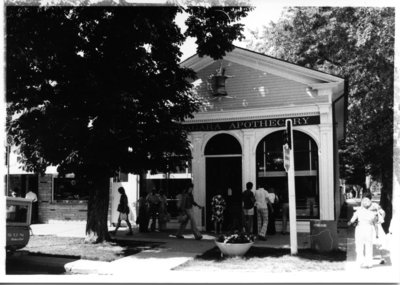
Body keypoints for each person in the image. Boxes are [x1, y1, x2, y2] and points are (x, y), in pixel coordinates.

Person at [348, 197, 378, 268]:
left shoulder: (358, 212)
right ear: (369, 205)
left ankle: (360, 262)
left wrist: (348, 224)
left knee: (359, 246)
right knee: (369, 246)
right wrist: (377, 234)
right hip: (369, 229)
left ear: (362, 204)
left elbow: (351, 221)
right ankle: (369, 263)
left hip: (360, 229)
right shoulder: (372, 213)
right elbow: (375, 224)